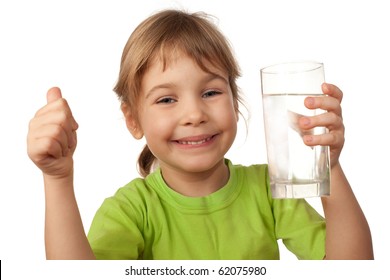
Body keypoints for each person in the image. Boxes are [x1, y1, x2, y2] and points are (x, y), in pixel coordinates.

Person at [27, 9, 373, 260]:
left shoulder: (269, 191)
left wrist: (329, 167)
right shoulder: (132, 210)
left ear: (235, 103)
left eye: (210, 93)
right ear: (133, 120)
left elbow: (351, 267)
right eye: (166, 99)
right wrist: (57, 179)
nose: (194, 114)